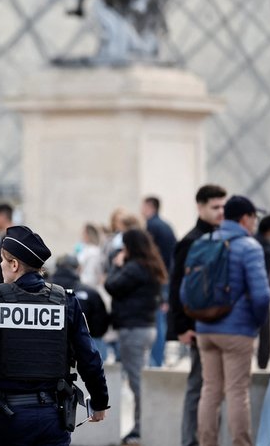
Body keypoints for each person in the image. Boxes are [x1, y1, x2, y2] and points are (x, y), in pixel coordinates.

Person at [0, 225, 108, 446]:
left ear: (14, 264)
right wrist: (99, 402)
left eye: (2, 260)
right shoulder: (64, 301)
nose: (0, 265)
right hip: (52, 417)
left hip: (8, 416)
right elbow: (90, 358)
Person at [188, 195, 270, 446]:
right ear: (245, 218)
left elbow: (186, 288)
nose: (255, 223)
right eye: (254, 218)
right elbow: (262, 295)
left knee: (210, 390)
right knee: (237, 392)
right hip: (237, 331)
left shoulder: (203, 241)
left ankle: (207, 443)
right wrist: (255, 324)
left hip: (205, 328)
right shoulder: (249, 246)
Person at [166, 183, 227, 446]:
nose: (220, 212)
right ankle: (189, 441)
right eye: (215, 207)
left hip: (219, 326)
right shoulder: (190, 241)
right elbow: (176, 286)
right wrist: (181, 327)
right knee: (198, 388)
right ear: (200, 207)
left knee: (215, 389)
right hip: (195, 327)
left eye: (223, 206)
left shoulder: (222, 236)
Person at [104, 228, 167, 445]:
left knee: (137, 381)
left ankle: (141, 427)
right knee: (140, 377)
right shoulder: (150, 265)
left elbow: (111, 285)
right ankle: (143, 424)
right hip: (146, 327)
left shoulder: (133, 268)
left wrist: (116, 265)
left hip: (133, 329)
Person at [51, 254, 110, 362]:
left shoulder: (42, 290)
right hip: (85, 346)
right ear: (79, 269)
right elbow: (100, 326)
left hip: (50, 346)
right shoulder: (90, 293)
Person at [141, 196, 177, 368]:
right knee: (160, 319)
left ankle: (156, 362)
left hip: (157, 279)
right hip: (166, 277)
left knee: (157, 320)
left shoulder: (152, 226)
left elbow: (149, 254)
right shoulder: (166, 226)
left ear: (150, 207)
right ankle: (158, 359)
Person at [254, 215, 270, 369]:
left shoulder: (248, 242)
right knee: (264, 330)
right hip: (263, 294)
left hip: (244, 295)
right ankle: (262, 362)